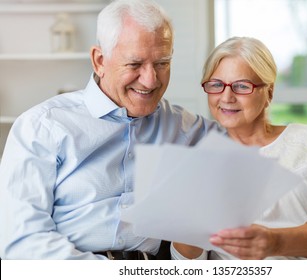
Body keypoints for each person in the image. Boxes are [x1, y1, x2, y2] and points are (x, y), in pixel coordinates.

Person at [0, 0, 220, 260]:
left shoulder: (184, 127)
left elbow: (256, 146)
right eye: (135, 64)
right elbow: (22, 242)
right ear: (99, 60)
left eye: (162, 63)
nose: (151, 80)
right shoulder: (42, 127)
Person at [171, 36, 307, 260]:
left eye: (241, 86)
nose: (226, 97)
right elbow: (184, 264)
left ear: (269, 92)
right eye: (216, 85)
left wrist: (275, 242)